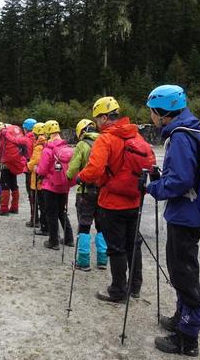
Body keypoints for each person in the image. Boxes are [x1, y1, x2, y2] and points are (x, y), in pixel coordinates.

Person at [145, 85, 200, 356]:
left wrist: (153, 188)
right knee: (180, 269)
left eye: (151, 112)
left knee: (183, 272)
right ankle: (180, 317)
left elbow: (181, 180)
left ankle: (187, 337)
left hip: (186, 214)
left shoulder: (181, 136)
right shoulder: (188, 129)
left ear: (162, 111)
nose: (150, 117)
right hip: (191, 212)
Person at [78, 97, 155, 303]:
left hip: (112, 202)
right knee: (133, 245)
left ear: (104, 117)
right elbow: (151, 163)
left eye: (97, 119)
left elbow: (94, 170)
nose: (96, 123)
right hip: (134, 200)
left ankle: (118, 290)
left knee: (117, 247)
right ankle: (135, 286)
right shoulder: (136, 136)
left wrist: (81, 177)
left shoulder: (106, 139)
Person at [66, 118, 107, 271]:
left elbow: (73, 168)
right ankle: (103, 259)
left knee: (84, 226)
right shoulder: (104, 142)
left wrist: (69, 177)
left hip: (85, 190)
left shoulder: (82, 145)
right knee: (101, 226)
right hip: (102, 190)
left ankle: (83, 261)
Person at [36, 120, 75, 249]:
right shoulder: (66, 147)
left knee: (51, 213)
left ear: (47, 133)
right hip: (64, 186)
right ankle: (69, 238)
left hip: (51, 186)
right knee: (61, 212)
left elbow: (42, 170)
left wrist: (37, 171)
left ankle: (54, 241)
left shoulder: (48, 150)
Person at [27, 122, 48, 231]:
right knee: (44, 204)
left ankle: (43, 225)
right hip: (45, 180)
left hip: (37, 180)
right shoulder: (47, 143)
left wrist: (28, 165)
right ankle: (45, 225)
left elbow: (34, 163)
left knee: (40, 203)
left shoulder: (38, 147)